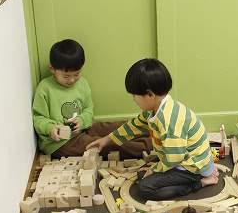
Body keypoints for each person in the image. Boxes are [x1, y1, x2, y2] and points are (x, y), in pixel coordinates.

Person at [86, 58, 219, 200]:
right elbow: (133, 126)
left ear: (150, 95)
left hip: (190, 167)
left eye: (135, 95)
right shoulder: (155, 109)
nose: (133, 99)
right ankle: (200, 174)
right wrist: (107, 139)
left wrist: (153, 170)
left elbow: (174, 159)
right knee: (141, 176)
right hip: (179, 159)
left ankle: (200, 182)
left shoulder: (169, 121)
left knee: (145, 188)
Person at [32, 39, 151, 158]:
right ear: (52, 69)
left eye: (76, 74)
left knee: (114, 127)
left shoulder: (82, 84)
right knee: (104, 144)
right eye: (66, 76)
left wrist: (82, 120)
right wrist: (50, 128)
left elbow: (88, 110)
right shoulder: (45, 88)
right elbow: (38, 118)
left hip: (84, 129)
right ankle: (148, 145)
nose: (72, 80)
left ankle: (152, 129)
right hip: (61, 144)